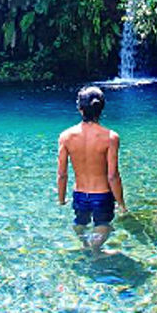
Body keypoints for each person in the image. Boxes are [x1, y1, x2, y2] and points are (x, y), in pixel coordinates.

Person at [57, 86, 127, 254]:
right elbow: (113, 176)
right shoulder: (110, 137)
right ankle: (95, 250)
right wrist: (121, 203)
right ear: (101, 108)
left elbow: (62, 174)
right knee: (103, 225)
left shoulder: (66, 136)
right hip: (102, 195)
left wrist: (61, 199)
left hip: (80, 195)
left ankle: (84, 247)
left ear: (80, 109)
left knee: (80, 223)